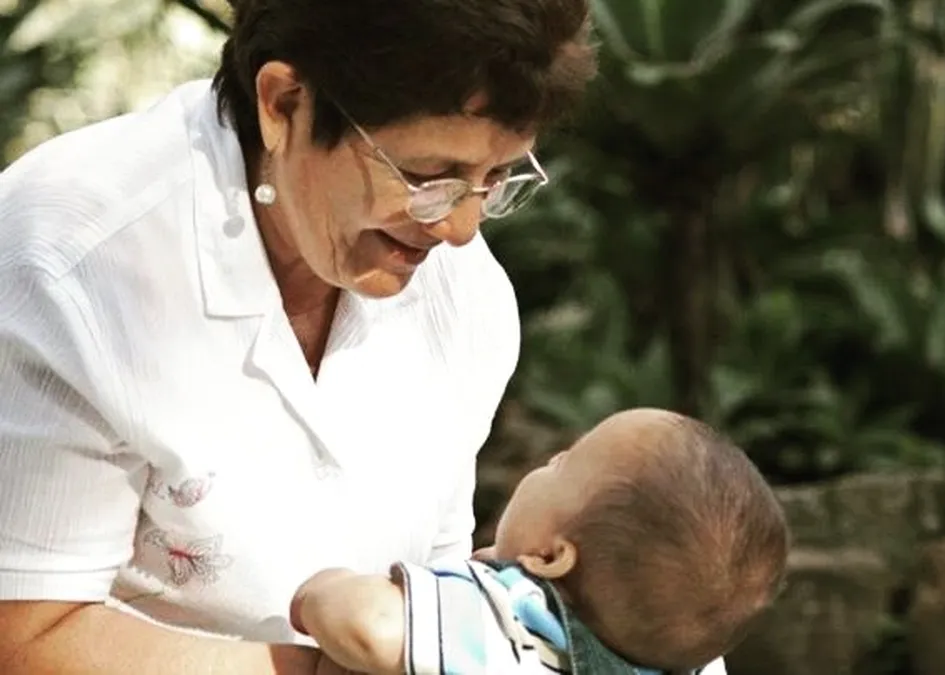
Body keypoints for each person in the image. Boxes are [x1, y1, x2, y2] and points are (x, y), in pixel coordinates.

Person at [0, 1, 599, 673]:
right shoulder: (70, 262)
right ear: (283, 104)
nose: (460, 229)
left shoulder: (467, 297)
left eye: (496, 179)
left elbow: (431, 592)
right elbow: (23, 636)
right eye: (428, 177)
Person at [290, 408, 789, 674]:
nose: (550, 458)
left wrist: (323, 590)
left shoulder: (505, 626)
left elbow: (371, 627)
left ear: (550, 556)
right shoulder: (698, 663)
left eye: (563, 463)